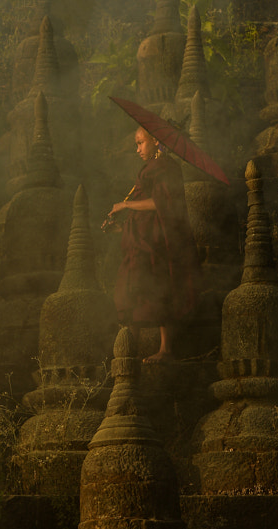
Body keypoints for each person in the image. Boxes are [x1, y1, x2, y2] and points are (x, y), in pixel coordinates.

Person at [106, 126, 199, 363]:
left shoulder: (167, 167)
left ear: (155, 140)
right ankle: (131, 348)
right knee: (133, 286)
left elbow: (161, 204)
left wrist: (125, 206)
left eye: (140, 143)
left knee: (159, 284)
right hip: (144, 236)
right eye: (136, 144)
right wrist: (121, 227)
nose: (137, 149)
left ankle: (165, 349)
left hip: (160, 237)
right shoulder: (150, 169)